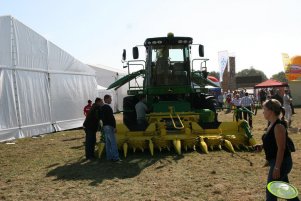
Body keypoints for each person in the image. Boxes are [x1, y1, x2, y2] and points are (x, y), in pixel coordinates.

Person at [254, 99, 299, 201]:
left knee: (271, 191)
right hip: (277, 161)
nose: (263, 112)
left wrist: (277, 167)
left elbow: (281, 148)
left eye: (264, 109)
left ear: (271, 111)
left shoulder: (278, 126)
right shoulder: (271, 124)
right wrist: (262, 146)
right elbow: (273, 142)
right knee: (286, 189)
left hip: (281, 162)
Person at [101, 94, 120, 162]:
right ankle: (116, 157)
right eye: (110, 98)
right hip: (109, 126)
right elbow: (111, 118)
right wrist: (114, 127)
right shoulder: (107, 107)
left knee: (108, 143)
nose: (111, 100)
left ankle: (109, 157)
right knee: (113, 143)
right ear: (106, 99)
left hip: (105, 126)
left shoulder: (102, 107)